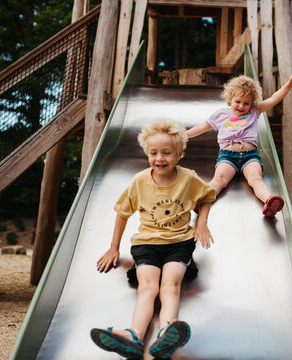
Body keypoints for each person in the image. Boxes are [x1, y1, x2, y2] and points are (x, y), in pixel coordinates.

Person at [90, 118, 216, 359]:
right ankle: (133, 336)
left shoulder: (188, 178)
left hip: (179, 244)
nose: (160, 158)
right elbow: (122, 212)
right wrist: (113, 248)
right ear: (147, 153)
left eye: (167, 153)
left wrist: (201, 223)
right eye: (154, 153)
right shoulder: (140, 181)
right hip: (146, 244)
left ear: (179, 153)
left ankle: (166, 332)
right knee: (148, 287)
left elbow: (207, 196)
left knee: (170, 285)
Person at [186, 73, 292, 217]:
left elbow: (273, 99)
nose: (241, 106)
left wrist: (289, 84)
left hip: (250, 156)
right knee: (219, 180)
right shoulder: (220, 115)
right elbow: (201, 127)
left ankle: (270, 201)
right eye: (238, 101)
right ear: (230, 99)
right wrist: (183, 135)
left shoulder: (255, 111)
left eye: (246, 103)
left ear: (252, 103)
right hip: (227, 156)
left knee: (255, 179)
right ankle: (203, 201)